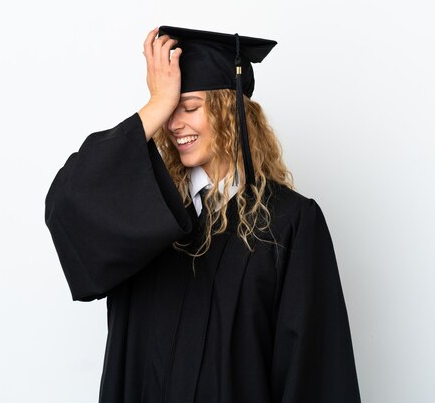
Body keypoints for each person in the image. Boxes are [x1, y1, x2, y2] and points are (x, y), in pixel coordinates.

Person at [44, 25, 361, 403]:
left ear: (232, 113)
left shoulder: (287, 223)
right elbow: (68, 200)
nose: (175, 124)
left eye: (190, 107)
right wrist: (156, 104)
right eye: (169, 111)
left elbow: (314, 370)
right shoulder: (145, 214)